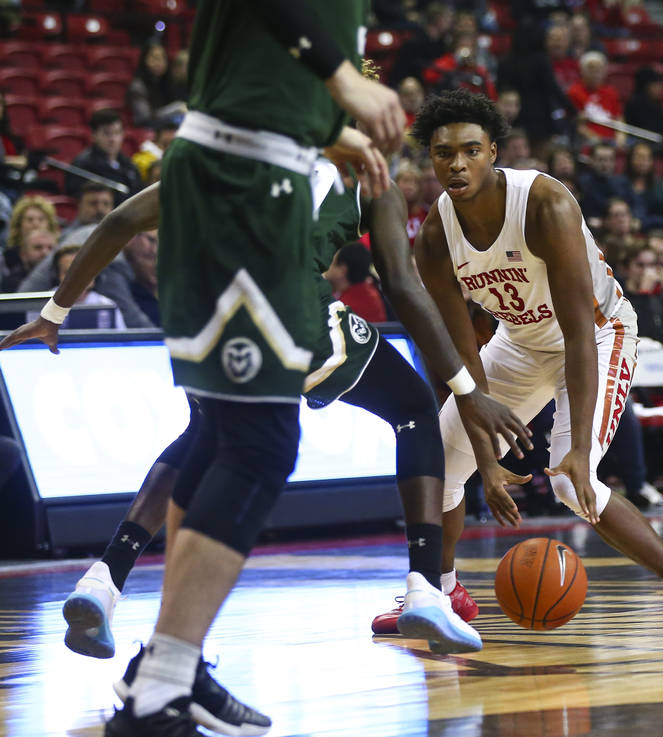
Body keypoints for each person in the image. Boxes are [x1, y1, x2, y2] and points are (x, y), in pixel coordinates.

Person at [3, 167, 529, 736]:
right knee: (412, 410)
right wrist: (468, 391)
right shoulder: (366, 174)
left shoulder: (232, 145)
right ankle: (425, 586)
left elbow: (122, 219)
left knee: (202, 436)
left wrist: (54, 313)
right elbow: (401, 286)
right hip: (290, 316)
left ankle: (105, 581)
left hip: (203, 315)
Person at [27, 2, 408, 734]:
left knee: (221, 438)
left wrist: (330, 129)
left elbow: (259, 60)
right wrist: (341, 80)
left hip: (244, 172)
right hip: (244, 183)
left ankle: (169, 670)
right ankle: (160, 690)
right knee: (261, 444)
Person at [371, 89, 663, 639]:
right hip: (519, 342)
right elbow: (460, 357)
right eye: (442, 152)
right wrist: (486, 461)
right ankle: (440, 593)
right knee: (442, 466)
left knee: (575, 482)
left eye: (470, 149)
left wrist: (575, 447)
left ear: (494, 151)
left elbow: (576, 332)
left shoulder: (545, 204)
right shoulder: (434, 235)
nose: (456, 163)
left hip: (598, 336)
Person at [566, 51, 626, 145]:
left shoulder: (611, 92)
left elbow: (618, 118)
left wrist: (621, 136)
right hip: (587, 140)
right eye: (591, 69)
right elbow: (576, 125)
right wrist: (596, 139)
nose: (595, 73)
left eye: (599, 69)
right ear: (582, 71)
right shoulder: (574, 92)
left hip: (611, 140)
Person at [324, 241, 388, 322]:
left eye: (331, 263)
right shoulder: (363, 292)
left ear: (342, 271)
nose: (325, 267)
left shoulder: (350, 305)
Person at [625, 141, 663, 231]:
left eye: (647, 158)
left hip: (658, 231)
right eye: (639, 157)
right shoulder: (620, 183)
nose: (643, 161)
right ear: (630, 159)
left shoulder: (662, 184)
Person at [126, 40, 179, 127]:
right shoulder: (138, 86)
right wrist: (174, 109)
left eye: (163, 58)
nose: (159, 62)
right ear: (144, 60)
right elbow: (144, 118)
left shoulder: (168, 83)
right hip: (146, 132)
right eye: (155, 58)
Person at [3, 228, 56, 292]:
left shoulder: (60, 279)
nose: (45, 253)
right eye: (38, 247)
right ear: (23, 254)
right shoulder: (11, 283)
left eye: (50, 248)